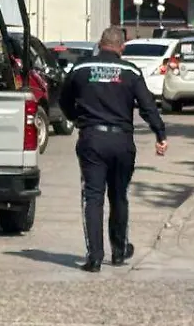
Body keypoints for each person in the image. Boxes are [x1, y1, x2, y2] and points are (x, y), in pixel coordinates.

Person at [60, 26, 168, 273]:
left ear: (100, 43)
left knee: (93, 197)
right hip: (122, 142)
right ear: (122, 47)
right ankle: (119, 252)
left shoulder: (81, 69)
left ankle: (95, 257)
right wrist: (160, 134)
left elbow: (64, 100)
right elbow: (147, 105)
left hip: (92, 140)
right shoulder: (130, 71)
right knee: (119, 196)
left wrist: (78, 119)